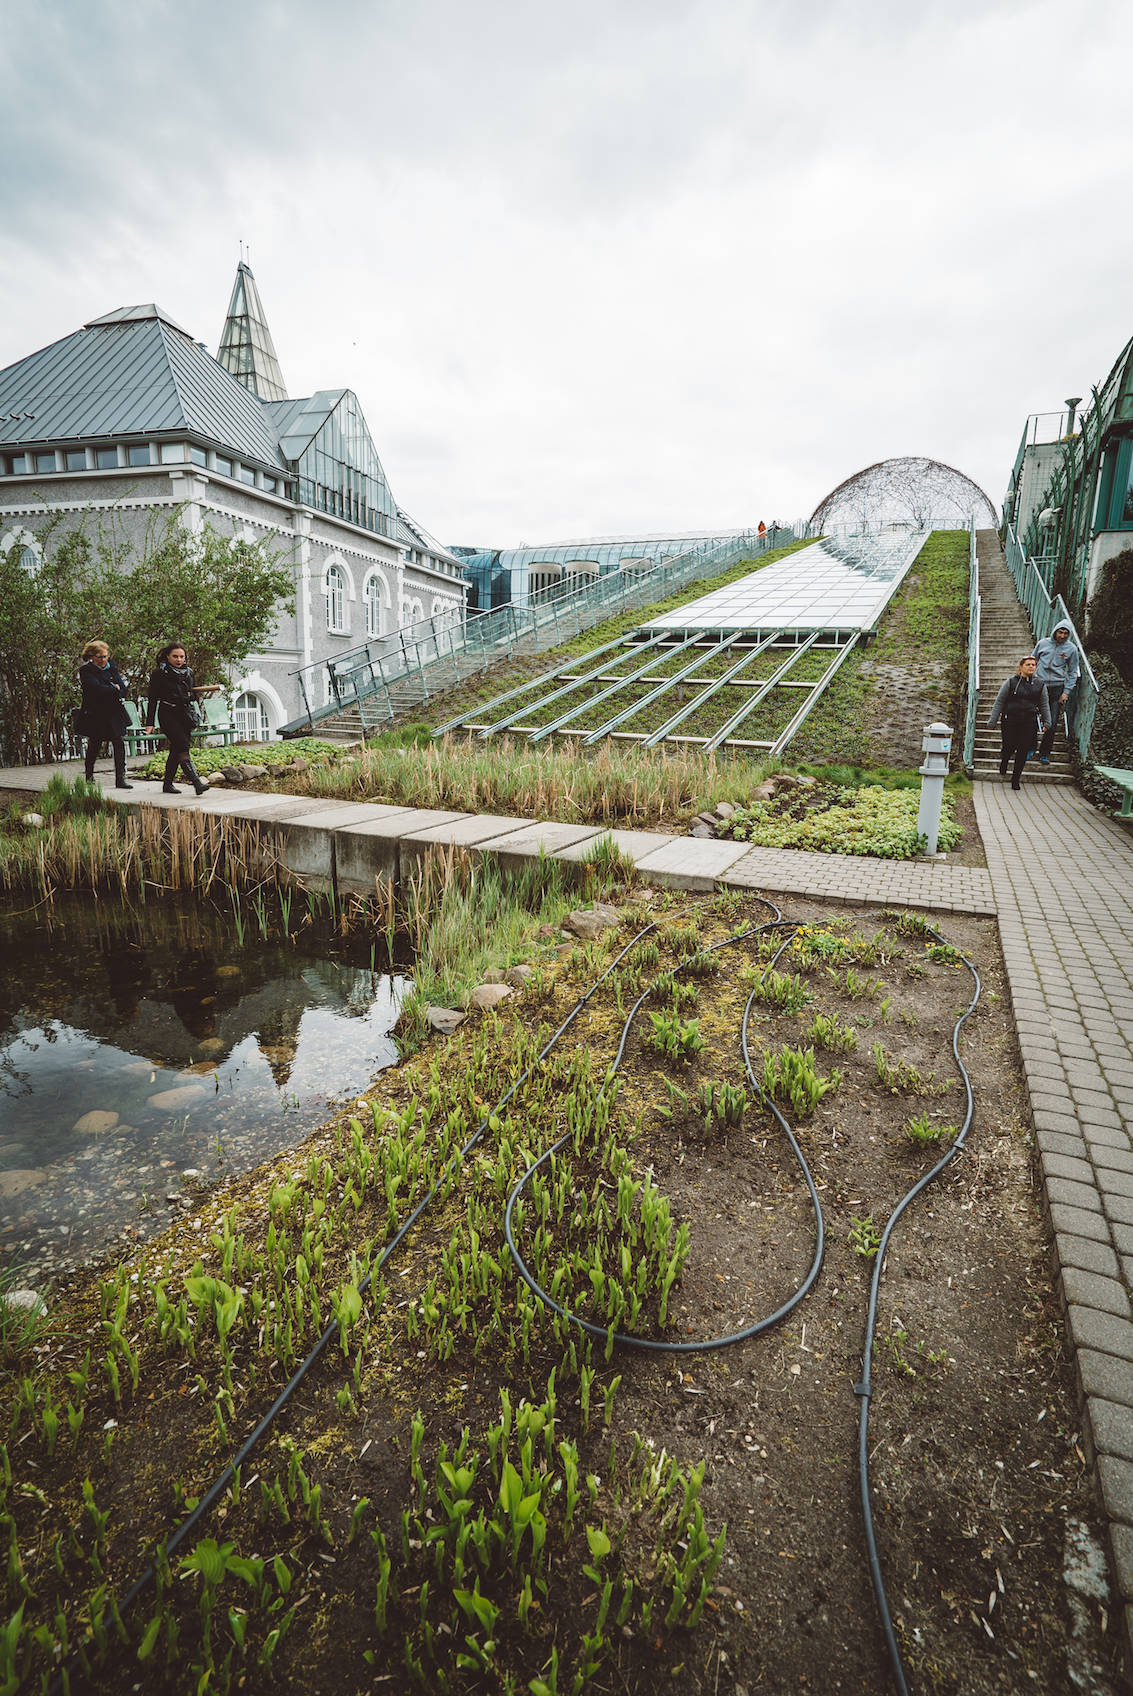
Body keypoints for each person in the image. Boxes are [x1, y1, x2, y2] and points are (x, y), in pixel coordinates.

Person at [144, 642, 209, 795]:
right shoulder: (159, 673)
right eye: (175, 656)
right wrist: (150, 723)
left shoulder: (189, 672)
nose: (179, 660)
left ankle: (167, 785)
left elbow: (191, 694)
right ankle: (196, 783)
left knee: (176, 749)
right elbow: (152, 698)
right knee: (183, 746)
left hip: (184, 714)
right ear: (167, 656)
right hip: (167, 713)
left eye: (181, 657)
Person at [987, 656, 1051, 792]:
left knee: (1022, 750)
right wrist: (992, 720)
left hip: (1028, 721)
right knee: (1009, 746)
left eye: (1033, 665)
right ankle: (1004, 760)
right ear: (1021, 667)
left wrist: (1047, 721)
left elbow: (1044, 704)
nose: (1031, 667)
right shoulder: (1011, 682)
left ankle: (1015, 779)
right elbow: (1000, 701)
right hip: (1010, 719)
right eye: (1028, 664)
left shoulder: (1040, 685)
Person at [78, 640, 133, 790]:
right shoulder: (86, 671)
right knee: (95, 745)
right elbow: (95, 688)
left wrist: (114, 688)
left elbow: (122, 687)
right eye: (100, 657)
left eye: (105, 656)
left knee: (119, 742)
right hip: (96, 713)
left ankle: (120, 779)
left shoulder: (111, 667)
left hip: (114, 711)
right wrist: (112, 688)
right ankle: (89, 775)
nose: (103, 660)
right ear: (92, 657)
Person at [1032, 621, 1080, 763]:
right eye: (1060, 632)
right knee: (1030, 719)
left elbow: (1072, 672)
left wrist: (1066, 692)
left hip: (1056, 689)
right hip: (1039, 686)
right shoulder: (1043, 643)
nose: (1062, 635)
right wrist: (1032, 679)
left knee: (1051, 723)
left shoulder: (1071, 649)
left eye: (1065, 633)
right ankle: (1030, 747)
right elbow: (1032, 660)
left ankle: (1044, 754)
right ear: (1055, 631)